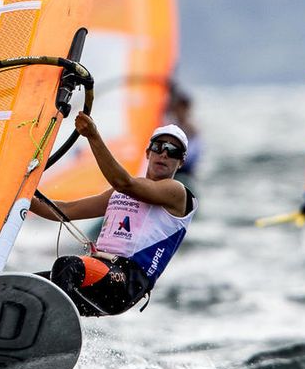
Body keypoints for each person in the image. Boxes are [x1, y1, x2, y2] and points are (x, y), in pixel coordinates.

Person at [28, 114, 195, 316]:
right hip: (98, 273)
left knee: (68, 266)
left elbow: (124, 182)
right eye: (159, 147)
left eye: (173, 151)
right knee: (28, 288)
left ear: (181, 162)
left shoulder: (177, 192)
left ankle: (55, 328)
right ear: (148, 153)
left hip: (126, 281)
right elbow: (66, 210)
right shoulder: (119, 193)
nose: (164, 154)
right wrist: (22, 195)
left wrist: (93, 136)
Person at [165, 84, 203, 189]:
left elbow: (191, 158)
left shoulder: (192, 129)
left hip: (185, 175)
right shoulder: (170, 125)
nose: (178, 111)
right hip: (172, 174)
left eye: (181, 108)